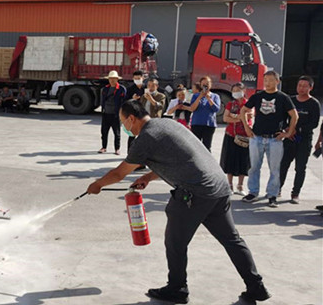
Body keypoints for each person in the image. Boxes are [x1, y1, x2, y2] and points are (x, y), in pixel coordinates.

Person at [87, 101, 271, 303]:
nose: (124, 126)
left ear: (132, 118)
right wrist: (148, 177)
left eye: (123, 122)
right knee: (232, 240)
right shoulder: (167, 124)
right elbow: (180, 157)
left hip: (195, 193)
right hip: (218, 187)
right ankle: (256, 287)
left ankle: (177, 289)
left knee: (175, 243)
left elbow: (119, 174)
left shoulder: (146, 138)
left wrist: (97, 185)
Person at [241, 70, 298, 208]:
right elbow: (243, 110)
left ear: (277, 81)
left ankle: (272, 195)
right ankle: (253, 192)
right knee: (254, 167)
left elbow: (294, 115)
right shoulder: (257, 96)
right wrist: (247, 128)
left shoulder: (283, 97)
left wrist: (288, 133)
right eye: (265, 80)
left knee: (275, 169)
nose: (267, 83)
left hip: (275, 140)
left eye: (271, 80)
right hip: (257, 137)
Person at [279, 76, 321, 204]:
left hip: (304, 140)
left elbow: (314, 123)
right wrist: (287, 129)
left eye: (304, 86)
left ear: (310, 88)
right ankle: (277, 190)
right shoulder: (290, 100)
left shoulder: (314, 104)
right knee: (283, 165)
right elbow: (282, 118)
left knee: (300, 168)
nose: (301, 88)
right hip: (289, 138)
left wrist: (298, 129)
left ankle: (295, 193)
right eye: (299, 85)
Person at [220, 83, 252, 196]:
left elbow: (249, 116)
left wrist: (234, 116)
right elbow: (225, 118)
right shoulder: (230, 104)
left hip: (244, 136)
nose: (236, 92)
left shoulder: (248, 104)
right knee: (230, 160)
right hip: (231, 135)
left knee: (243, 160)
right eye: (234, 90)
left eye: (238, 90)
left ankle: (240, 185)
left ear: (244, 90)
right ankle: (230, 185)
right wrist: (240, 118)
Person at [187, 76, 221, 151]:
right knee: (195, 146)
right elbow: (192, 108)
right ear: (201, 85)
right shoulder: (195, 96)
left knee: (207, 147)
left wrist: (209, 99)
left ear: (210, 85)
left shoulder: (215, 96)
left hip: (209, 124)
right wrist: (199, 97)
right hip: (196, 124)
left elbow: (216, 109)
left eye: (207, 84)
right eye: (203, 84)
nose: (205, 85)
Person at [98, 71, 126, 155]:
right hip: (106, 113)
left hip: (116, 114)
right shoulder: (105, 89)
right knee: (104, 132)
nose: (112, 80)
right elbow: (102, 100)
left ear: (117, 79)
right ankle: (104, 147)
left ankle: (117, 149)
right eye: (110, 79)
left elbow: (124, 101)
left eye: (114, 79)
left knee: (117, 133)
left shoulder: (121, 89)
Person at [123, 70, 145, 151]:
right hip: (134, 114)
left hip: (144, 114)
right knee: (132, 134)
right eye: (135, 79)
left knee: (144, 135)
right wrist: (133, 99)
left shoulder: (146, 88)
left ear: (143, 78)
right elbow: (125, 102)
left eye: (139, 78)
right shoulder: (130, 89)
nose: (137, 80)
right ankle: (130, 152)